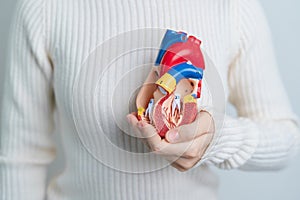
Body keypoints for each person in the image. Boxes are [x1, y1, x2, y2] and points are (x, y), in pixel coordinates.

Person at [0, 0, 299, 200]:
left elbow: (287, 139)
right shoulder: (44, 8)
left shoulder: (232, 6)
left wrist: (216, 139)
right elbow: (20, 158)